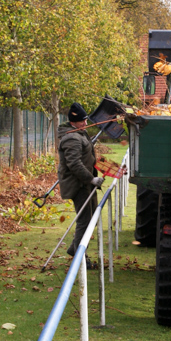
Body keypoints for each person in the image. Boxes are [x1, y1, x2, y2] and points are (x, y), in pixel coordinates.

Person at [57, 102, 104, 267]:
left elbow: (86, 156)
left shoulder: (80, 133)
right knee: (85, 221)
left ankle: (74, 248)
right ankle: (80, 259)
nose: (85, 123)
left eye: (86, 120)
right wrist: (91, 179)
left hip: (86, 184)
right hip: (80, 186)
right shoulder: (71, 137)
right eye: (82, 121)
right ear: (72, 122)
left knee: (91, 218)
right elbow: (74, 164)